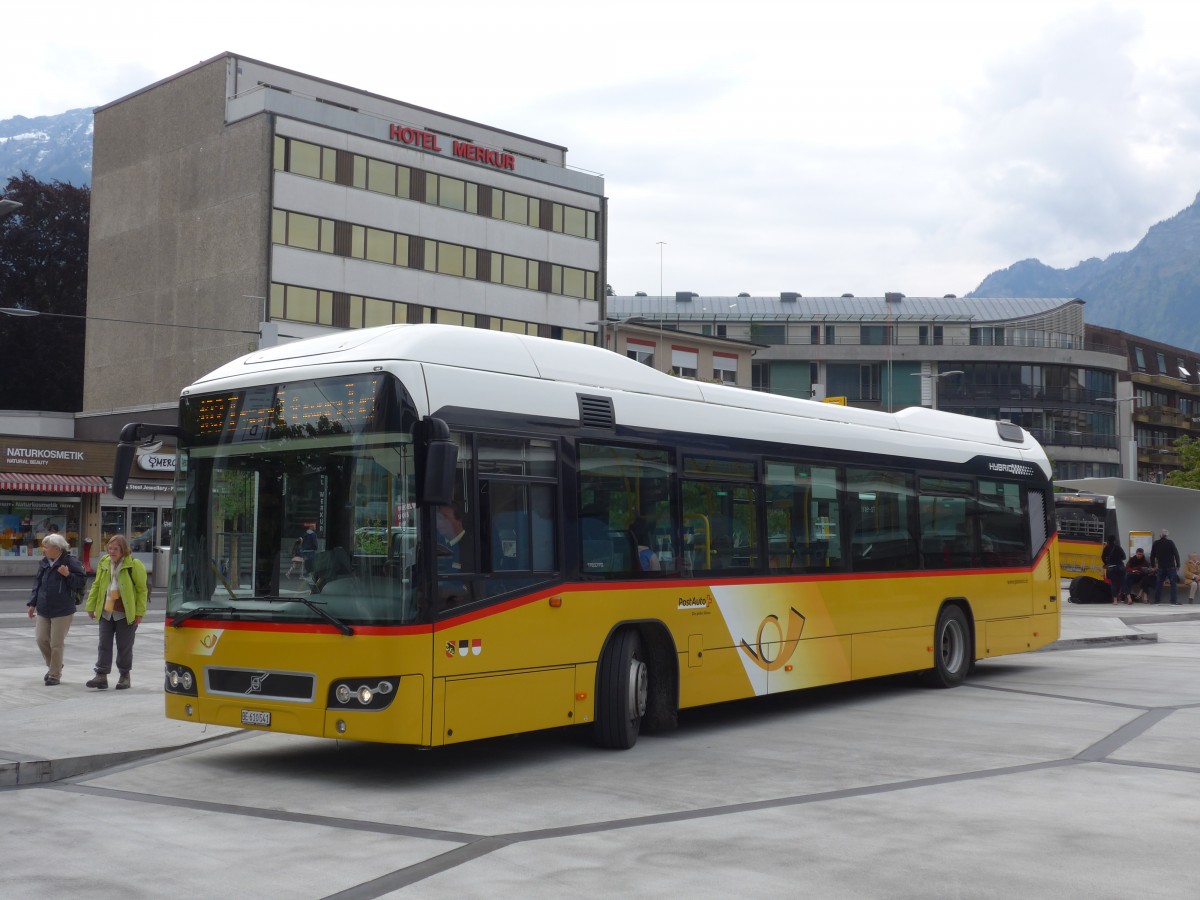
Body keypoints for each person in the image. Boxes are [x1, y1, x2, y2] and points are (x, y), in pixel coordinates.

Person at [84, 534, 148, 690]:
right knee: (103, 644)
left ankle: (124, 676)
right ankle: (101, 675)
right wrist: (90, 606)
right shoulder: (104, 562)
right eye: (110, 548)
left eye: (116, 549)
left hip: (125, 613)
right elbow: (97, 585)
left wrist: (139, 613)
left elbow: (141, 591)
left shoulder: (134, 564)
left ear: (123, 550)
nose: (112, 551)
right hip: (106, 611)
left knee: (124, 646)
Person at [26, 533, 87, 686]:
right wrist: (32, 604)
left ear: (57, 548)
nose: (44, 550)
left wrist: (68, 575)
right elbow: (37, 584)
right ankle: (55, 665)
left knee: (56, 644)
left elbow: (81, 582)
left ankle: (54, 674)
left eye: (46, 547)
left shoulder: (70, 562)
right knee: (41, 639)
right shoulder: (45, 562)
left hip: (63, 609)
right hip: (44, 607)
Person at [1150, 528, 1181, 605]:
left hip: (1161, 567)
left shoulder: (1156, 543)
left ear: (1160, 535)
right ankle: (1173, 602)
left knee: (1159, 583)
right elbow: (1176, 554)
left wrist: (1153, 565)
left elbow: (1152, 556)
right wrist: (1178, 565)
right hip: (1171, 567)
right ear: (1167, 536)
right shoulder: (1170, 543)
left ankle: (1157, 601)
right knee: (1173, 584)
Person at [1101, 535, 1126, 604]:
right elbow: (1124, 557)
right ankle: (1126, 597)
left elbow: (1103, 557)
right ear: (1114, 540)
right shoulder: (1118, 547)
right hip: (1120, 567)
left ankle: (1115, 600)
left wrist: (1107, 563)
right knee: (1122, 582)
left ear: (1108, 541)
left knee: (1114, 584)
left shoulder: (1106, 548)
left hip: (1111, 567)